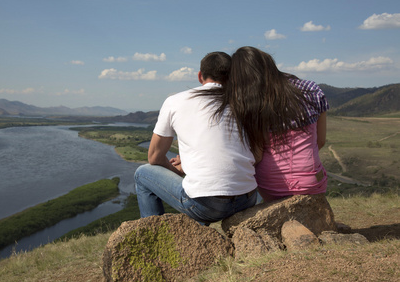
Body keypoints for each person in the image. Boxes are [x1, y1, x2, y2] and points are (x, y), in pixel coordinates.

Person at [134, 51, 258, 224]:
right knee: (200, 187)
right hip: (248, 198)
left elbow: (154, 157)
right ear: (232, 78)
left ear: (200, 76)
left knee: (142, 173)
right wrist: (188, 165)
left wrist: (178, 170)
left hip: (206, 206)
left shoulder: (175, 101)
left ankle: (152, 236)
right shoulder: (245, 103)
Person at [220, 46, 329, 202]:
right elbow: (321, 141)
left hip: (270, 184)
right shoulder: (311, 90)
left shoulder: (251, 103)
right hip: (311, 181)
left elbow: (257, 156)